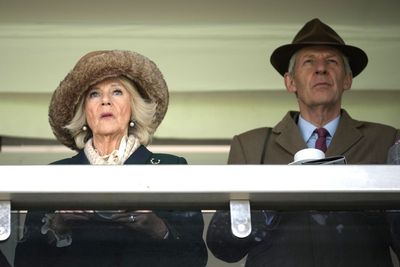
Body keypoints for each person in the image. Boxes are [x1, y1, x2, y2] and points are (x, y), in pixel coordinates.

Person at [206, 18, 400, 267]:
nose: (321, 69)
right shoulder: (251, 145)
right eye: (309, 62)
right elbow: (225, 247)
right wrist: (270, 203)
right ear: (290, 82)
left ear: (348, 79)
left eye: (331, 61)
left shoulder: (386, 140)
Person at [14, 50, 207, 267]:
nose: (105, 101)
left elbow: (196, 259)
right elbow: (23, 261)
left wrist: (157, 228)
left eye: (117, 92)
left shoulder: (172, 167)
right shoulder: (53, 175)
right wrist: (57, 226)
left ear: (133, 108)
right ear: (83, 111)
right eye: (94, 94)